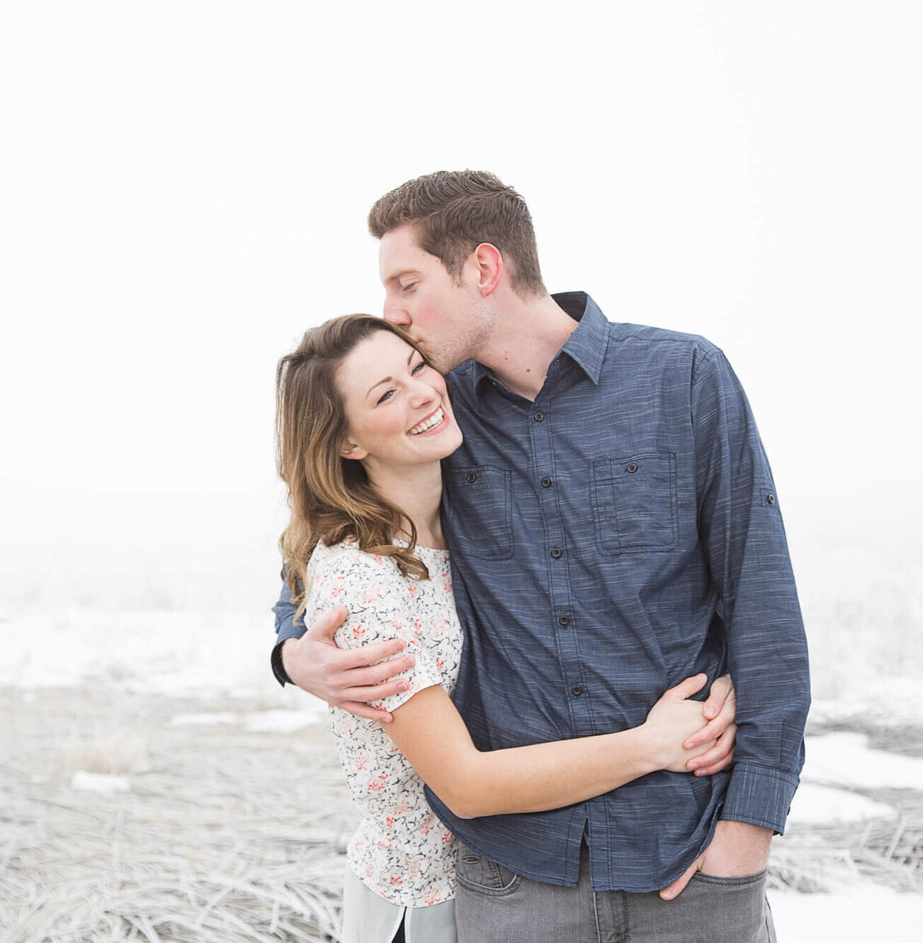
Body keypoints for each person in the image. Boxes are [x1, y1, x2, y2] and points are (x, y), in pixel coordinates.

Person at [273, 171, 809, 942]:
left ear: (483, 270)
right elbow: (331, 543)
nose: (393, 315)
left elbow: (764, 606)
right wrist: (294, 652)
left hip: (689, 856)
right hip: (513, 879)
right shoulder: (436, 416)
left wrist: (748, 829)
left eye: (408, 283)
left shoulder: (683, 378)